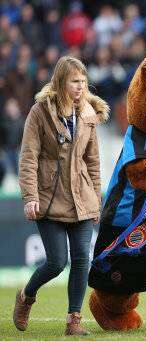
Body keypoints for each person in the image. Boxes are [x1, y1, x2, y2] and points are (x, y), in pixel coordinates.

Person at [13, 56, 109, 335]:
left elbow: (93, 161)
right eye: (74, 81)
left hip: (82, 199)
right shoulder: (39, 112)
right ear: (60, 82)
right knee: (56, 263)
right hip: (48, 197)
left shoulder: (89, 114)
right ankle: (26, 296)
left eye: (83, 82)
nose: (80, 87)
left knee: (82, 260)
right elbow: (28, 157)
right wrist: (29, 196)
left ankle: (73, 321)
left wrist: (96, 199)